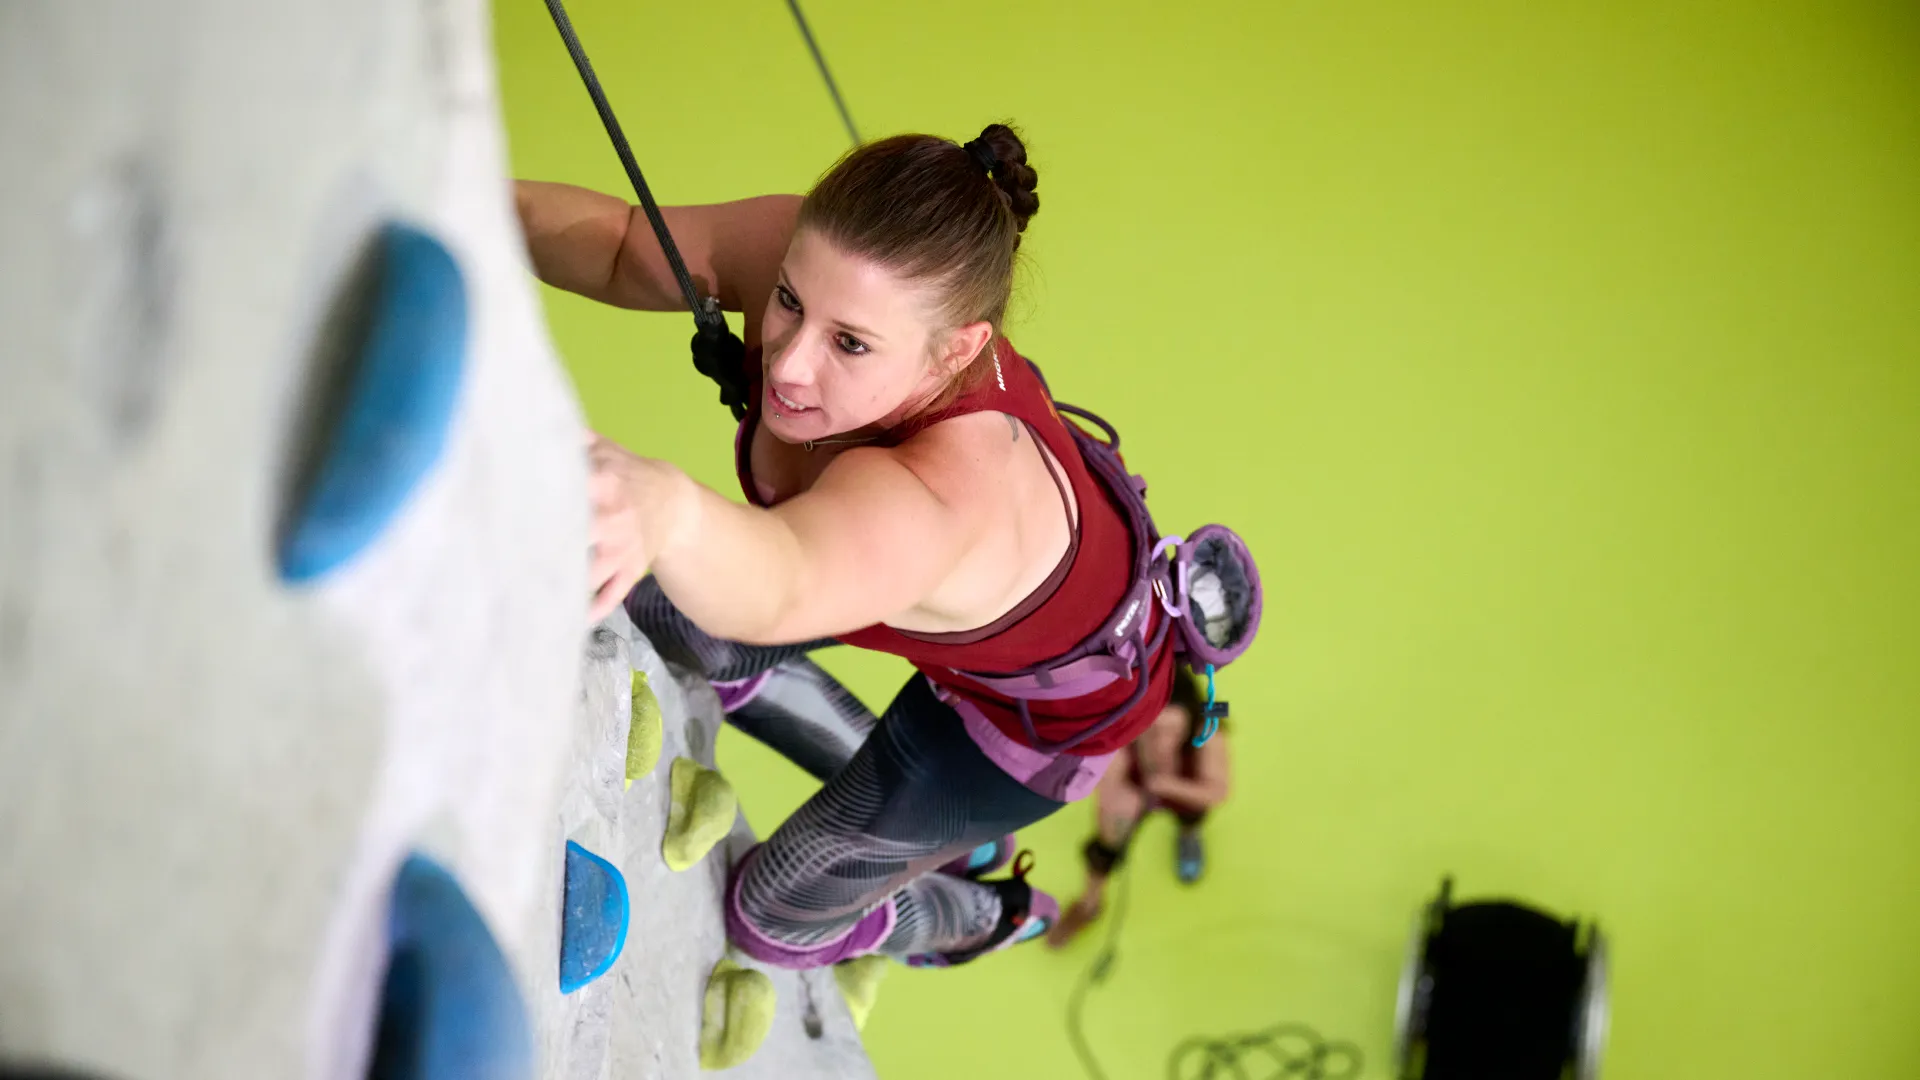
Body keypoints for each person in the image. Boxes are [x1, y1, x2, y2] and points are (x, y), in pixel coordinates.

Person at [514, 124, 1182, 969]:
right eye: (789, 301)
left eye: (851, 344)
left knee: (774, 915)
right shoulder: (823, 264)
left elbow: (785, 580)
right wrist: (465, 193)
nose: (788, 364)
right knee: (664, 611)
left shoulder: (941, 493)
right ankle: (921, 820)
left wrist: (668, 509)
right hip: (882, 578)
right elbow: (617, 247)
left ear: (958, 350)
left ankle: (975, 906)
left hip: (1035, 720)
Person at [1045, 666, 1232, 950]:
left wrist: (1165, 785)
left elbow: (1218, 791)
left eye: (1173, 730)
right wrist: (1117, 821)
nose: (1163, 742)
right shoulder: (1118, 735)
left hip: (1181, 786)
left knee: (1194, 812)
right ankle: (1090, 903)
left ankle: (1188, 836)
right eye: (1154, 731)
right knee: (1104, 849)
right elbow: (1106, 796)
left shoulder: (1211, 721)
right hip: (1134, 787)